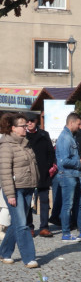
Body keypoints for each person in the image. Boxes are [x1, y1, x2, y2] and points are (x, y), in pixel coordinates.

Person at [0, 113, 40, 268]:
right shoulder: (6, 145)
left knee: (16, 223)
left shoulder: (25, 143)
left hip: (28, 187)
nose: (26, 127)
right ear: (13, 128)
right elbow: (5, 172)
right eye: (23, 125)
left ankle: (4, 252)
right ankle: (29, 257)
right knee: (23, 224)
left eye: (27, 124)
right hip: (15, 190)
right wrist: (10, 194)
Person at [54, 112, 81, 243]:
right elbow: (63, 161)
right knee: (67, 205)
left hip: (74, 174)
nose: (80, 126)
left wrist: (80, 160)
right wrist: (79, 162)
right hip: (67, 175)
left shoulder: (71, 136)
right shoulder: (65, 138)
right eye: (79, 124)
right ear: (71, 123)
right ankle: (66, 233)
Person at [24, 114, 56, 238]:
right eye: (27, 121)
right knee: (28, 200)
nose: (29, 123)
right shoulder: (23, 135)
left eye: (31, 121)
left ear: (36, 121)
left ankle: (44, 227)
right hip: (28, 172)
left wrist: (48, 166)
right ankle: (29, 227)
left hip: (43, 172)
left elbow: (51, 152)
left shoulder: (44, 134)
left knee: (44, 200)